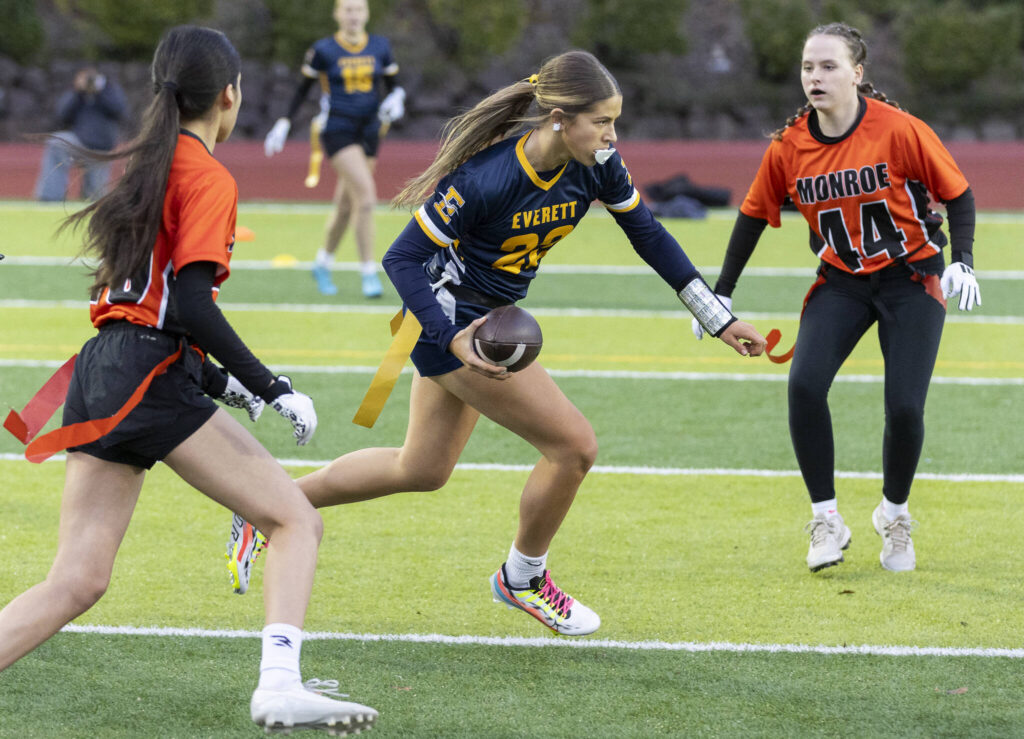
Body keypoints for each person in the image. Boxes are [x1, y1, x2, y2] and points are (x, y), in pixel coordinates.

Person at [230, 50, 767, 637]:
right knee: (575, 447)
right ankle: (523, 578)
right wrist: (450, 336)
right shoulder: (488, 177)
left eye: (615, 121)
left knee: (421, 468)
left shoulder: (598, 163)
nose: (613, 135)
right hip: (451, 321)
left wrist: (716, 319)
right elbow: (401, 257)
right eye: (603, 121)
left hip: (481, 321)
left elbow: (649, 236)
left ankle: (267, 507)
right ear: (560, 117)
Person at [0, 26, 377, 734]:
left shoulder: (144, 166)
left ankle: (283, 678)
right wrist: (268, 384)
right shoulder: (205, 174)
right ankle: (279, 684)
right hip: (147, 375)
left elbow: (150, 307)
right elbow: (193, 300)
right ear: (228, 95)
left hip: (108, 368)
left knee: (77, 578)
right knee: (295, 517)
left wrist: (217, 382)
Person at [693, 22, 979, 574]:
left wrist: (963, 258)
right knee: (803, 385)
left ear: (858, 73)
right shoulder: (789, 145)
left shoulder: (899, 130)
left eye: (828, 66)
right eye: (807, 67)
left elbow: (959, 194)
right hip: (842, 280)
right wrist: (719, 295)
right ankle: (827, 519)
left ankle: (893, 514)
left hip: (912, 277)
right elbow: (752, 215)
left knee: (904, 406)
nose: (815, 77)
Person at [263, 0, 405, 298]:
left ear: (367, 13)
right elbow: (303, 89)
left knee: (346, 205)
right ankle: (368, 271)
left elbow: (394, 85)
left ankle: (322, 263)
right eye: (348, 9)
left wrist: (397, 99)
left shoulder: (380, 46)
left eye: (359, 9)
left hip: (370, 130)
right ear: (338, 14)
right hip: (338, 129)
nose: (354, 15)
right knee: (366, 198)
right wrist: (285, 122)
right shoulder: (324, 50)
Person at [34, 66, 127, 202]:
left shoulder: (110, 89)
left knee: (96, 197)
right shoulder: (78, 94)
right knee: (57, 143)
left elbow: (119, 110)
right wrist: (77, 92)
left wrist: (101, 91)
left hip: (101, 148)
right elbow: (62, 114)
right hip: (79, 142)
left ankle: (88, 198)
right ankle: (50, 197)